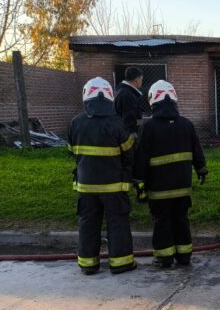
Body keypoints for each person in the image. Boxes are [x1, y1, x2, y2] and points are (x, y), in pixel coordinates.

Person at [134, 80, 208, 267]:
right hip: (183, 188)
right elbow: (197, 152)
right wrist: (201, 170)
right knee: (181, 220)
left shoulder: (148, 127)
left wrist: (138, 182)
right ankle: (184, 257)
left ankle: (165, 258)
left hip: (159, 190)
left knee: (162, 222)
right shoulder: (186, 125)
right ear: (174, 99)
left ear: (153, 101)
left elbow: (141, 157)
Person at [68, 77, 136, 275]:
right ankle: (121, 263)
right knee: (118, 223)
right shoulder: (117, 123)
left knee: (88, 224)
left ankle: (88, 265)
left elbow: (72, 151)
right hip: (114, 186)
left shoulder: (76, 122)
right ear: (109, 97)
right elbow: (129, 152)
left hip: (86, 187)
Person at [115, 66, 144, 137]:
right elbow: (129, 121)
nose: (141, 82)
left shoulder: (122, 92)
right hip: (127, 137)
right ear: (137, 79)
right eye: (141, 79)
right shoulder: (128, 95)